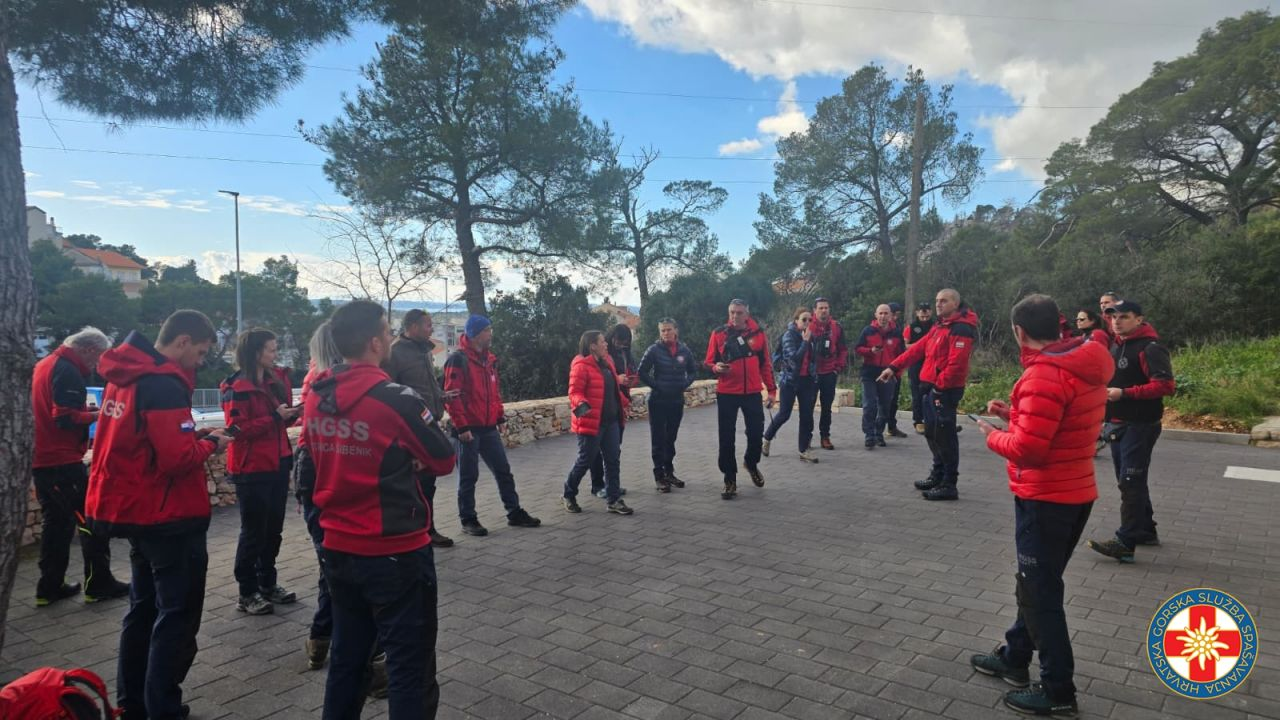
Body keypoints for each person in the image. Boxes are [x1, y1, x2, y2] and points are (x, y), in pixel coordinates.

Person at [305, 300, 456, 720]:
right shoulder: (394, 399)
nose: (390, 337)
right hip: (394, 551)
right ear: (375, 342)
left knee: (348, 659)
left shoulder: (317, 395)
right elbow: (444, 459)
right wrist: (407, 457)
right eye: (387, 331)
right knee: (410, 668)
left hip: (337, 547)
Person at [968, 294, 1112, 718]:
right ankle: (1015, 656)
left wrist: (992, 434)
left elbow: (1029, 450)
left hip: (1045, 497)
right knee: (1034, 584)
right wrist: (1014, 413)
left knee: (1040, 592)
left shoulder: (1043, 376)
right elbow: (1059, 427)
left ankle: (1057, 689)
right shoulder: (1084, 363)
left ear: (1019, 331)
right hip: (1075, 493)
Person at [85, 310, 233, 720]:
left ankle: (133, 704)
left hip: (134, 511)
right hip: (169, 517)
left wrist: (194, 436)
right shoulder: (163, 384)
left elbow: (146, 442)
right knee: (177, 617)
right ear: (183, 341)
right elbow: (175, 459)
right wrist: (212, 445)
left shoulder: (124, 376)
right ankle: (163, 708)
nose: (200, 362)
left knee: (143, 610)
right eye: (200, 352)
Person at [31, 327, 128, 606]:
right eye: (97, 357)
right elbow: (63, 417)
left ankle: (49, 588)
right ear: (87, 350)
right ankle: (98, 584)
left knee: (57, 525)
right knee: (90, 520)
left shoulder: (45, 364)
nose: (97, 365)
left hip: (44, 459)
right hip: (60, 460)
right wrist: (100, 414)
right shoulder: (68, 369)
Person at [1087, 300, 1175, 564]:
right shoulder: (1116, 344)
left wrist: (1124, 394)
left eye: (1124, 316)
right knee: (1130, 480)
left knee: (1130, 481)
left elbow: (1166, 386)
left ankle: (1125, 542)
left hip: (1141, 424)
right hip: (1117, 423)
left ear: (1139, 319)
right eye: (1113, 317)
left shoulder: (1151, 348)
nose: (1117, 321)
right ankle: (1145, 530)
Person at [220, 328, 300, 616]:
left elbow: (279, 423)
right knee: (253, 532)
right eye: (270, 349)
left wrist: (291, 414)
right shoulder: (236, 388)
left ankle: (268, 583)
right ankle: (247, 592)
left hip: (277, 463)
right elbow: (235, 430)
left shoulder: (273, 382)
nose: (275, 354)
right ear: (256, 352)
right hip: (251, 468)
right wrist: (274, 417)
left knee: (273, 530)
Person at [443, 315, 541, 536]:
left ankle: (514, 512)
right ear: (477, 333)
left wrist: (499, 418)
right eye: (488, 330)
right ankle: (468, 519)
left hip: (488, 428)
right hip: (468, 429)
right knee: (469, 477)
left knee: (503, 471)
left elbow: (494, 393)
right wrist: (462, 427)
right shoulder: (458, 360)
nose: (491, 334)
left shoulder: (490, 360)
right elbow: (452, 397)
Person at [880, 289, 978, 501]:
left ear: (955, 303)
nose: (938, 304)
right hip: (930, 388)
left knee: (945, 436)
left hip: (944, 391)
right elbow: (918, 349)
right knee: (932, 434)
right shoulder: (940, 326)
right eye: (937, 301)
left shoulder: (961, 328)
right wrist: (893, 367)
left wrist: (939, 387)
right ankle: (938, 474)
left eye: (944, 301)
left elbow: (957, 365)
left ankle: (949, 484)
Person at [384, 309, 455, 548]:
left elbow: (425, 385)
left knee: (428, 484)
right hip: (410, 430)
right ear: (412, 327)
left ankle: (427, 529)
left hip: (430, 423)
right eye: (427, 325)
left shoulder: (423, 350)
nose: (431, 329)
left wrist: (442, 395)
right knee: (416, 485)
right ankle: (418, 532)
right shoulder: (395, 353)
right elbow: (390, 392)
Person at [705, 299, 778, 499]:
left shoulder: (758, 334)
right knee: (726, 437)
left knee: (756, 433)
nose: (734, 316)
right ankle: (730, 478)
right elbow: (709, 361)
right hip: (727, 392)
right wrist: (715, 368)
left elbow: (765, 364)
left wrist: (771, 390)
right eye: (731, 312)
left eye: (738, 313)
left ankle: (751, 462)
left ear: (747, 314)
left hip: (752, 392)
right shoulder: (719, 333)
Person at [562, 331, 633, 515]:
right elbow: (574, 392)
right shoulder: (581, 366)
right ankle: (568, 494)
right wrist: (581, 403)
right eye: (602, 342)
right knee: (585, 460)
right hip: (591, 423)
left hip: (611, 422)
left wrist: (625, 403)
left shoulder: (607, 362)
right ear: (592, 345)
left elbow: (614, 389)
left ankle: (614, 500)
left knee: (612, 461)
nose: (606, 344)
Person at [637, 318, 697, 492]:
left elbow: (693, 371)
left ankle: (669, 472)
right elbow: (641, 372)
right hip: (658, 401)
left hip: (676, 401)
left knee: (670, 439)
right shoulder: (653, 350)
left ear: (676, 331)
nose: (665, 333)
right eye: (662, 331)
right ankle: (659, 476)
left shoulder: (684, 350)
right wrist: (657, 386)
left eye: (668, 330)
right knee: (658, 440)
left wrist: (684, 384)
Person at [763, 307, 820, 463]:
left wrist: (814, 374)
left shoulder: (811, 337)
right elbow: (794, 358)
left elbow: (813, 359)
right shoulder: (789, 336)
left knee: (806, 416)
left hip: (807, 380)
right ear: (796, 321)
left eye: (810, 320)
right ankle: (767, 438)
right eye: (804, 319)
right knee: (784, 414)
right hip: (790, 381)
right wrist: (805, 342)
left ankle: (803, 450)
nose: (807, 322)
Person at [590, 324, 638, 499]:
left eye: (624, 343)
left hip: (619, 404)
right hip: (603, 406)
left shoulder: (626, 353)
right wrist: (617, 379)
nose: (620, 345)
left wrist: (631, 380)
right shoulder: (601, 356)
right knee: (595, 450)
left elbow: (633, 370)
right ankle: (597, 485)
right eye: (617, 341)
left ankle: (612, 485)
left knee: (613, 449)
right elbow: (596, 378)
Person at [855, 304, 903, 449]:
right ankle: (869, 434)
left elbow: (902, 355)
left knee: (885, 406)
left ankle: (878, 433)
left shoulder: (896, 332)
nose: (883, 316)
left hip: (888, 373)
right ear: (876, 315)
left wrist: (896, 373)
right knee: (869, 405)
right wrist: (870, 351)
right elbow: (858, 349)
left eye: (886, 313)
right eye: (880, 313)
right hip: (870, 372)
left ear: (891, 316)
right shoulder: (868, 330)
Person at [809, 298, 848, 450]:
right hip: (812, 374)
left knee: (827, 407)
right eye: (821, 308)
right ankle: (806, 437)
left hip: (829, 372)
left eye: (826, 308)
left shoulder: (836, 327)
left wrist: (837, 367)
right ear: (815, 310)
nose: (824, 310)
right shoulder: (808, 325)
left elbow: (843, 349)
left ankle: (825, 436)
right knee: (808, 407)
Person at [904, 302, 935, 434]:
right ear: (917, 312)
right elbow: (906, 346)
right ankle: (918, 421)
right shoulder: (911, 328)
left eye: (926, 310)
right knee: (917, 394)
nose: (924, 313)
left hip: (933, 364)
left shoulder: (937, 326)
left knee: (934, 394)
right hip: (916, 364)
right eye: (921, 311)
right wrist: (923, 345)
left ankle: (935, 422)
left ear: (931, 312)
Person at [885, 303, 908, 437]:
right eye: (894, 315)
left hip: (895, 369)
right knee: (882, 401)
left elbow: (901, 351)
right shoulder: (875, 330)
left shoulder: (897, 330)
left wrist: (898, 368)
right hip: (882, 369)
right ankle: (876, 430)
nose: (895, 317)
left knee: (894, 400)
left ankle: (892, 427)